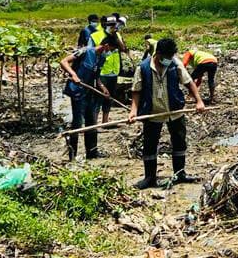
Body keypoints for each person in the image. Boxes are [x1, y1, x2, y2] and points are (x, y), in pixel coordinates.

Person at [128, 38, 207, 189]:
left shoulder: (175, 64)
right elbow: (136, 90)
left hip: (175, 110)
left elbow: (189, 83)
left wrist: (199, 101)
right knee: (150, 145)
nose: (169, 59)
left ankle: (180, 174)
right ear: (158, 54)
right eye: (167, 56)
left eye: (171, 56)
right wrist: (133, 111)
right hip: (153, 111)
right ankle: (150, 178)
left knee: (179, 141)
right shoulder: (143, 67)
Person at [59, 39, 114, 161]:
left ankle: (92, 152)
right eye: (111, 49)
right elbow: (64, 62)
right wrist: (73, 74)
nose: (111, 52)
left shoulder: (101, 58)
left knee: (91, 122)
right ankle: (72, 155)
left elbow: (96, 76)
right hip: (77, 92)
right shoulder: (85, 52)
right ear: (106, 45)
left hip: (89, 93)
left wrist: (103, 87)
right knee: (78, 123)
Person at [92, 16, 128, 124]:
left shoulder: (117, 35)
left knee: (109, 97)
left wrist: (116, 36)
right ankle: (93, 123)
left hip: (113, 71)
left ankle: (105, 121)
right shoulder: (96, 35)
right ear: (104, 24)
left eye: (114, 24)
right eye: (110, 25)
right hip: (102, 71)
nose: (113, 27)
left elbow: (123, 49)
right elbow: (91, 51)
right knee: (99, 97)